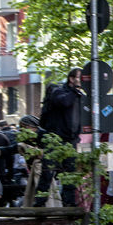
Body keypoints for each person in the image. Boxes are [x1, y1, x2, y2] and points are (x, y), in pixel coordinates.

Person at [34, 68, 84, 207]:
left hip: (71, 140)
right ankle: (39, 203)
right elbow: (64, 102)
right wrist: (75, 91)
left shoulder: (78, 95)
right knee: (47, 172)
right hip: (55, 139)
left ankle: (69, 203)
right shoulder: (58, 92)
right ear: (71, 79)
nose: (82, 80)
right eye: (79, 77)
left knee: (70, 173)